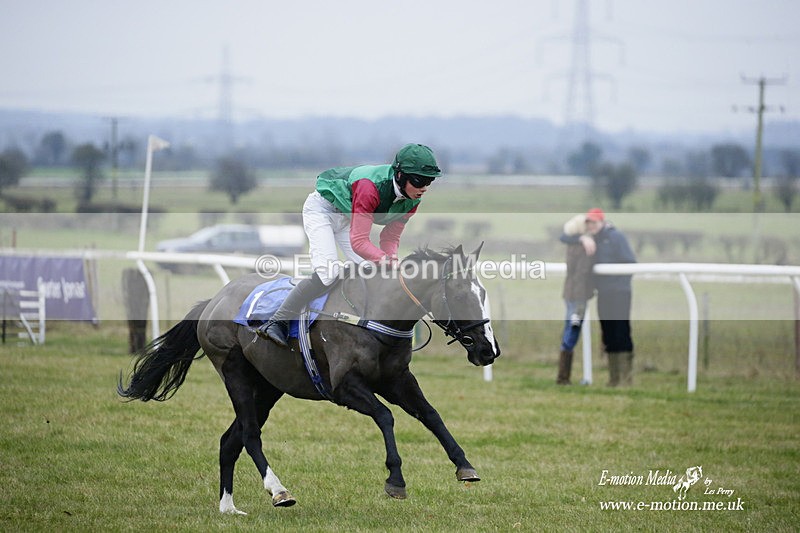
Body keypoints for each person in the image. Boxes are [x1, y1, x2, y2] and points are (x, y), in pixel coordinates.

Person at [257, 143, 442, 347]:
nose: (424, 187)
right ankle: (277, 321)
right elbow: (359, 242)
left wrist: (392, 260)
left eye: (429, 181)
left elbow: (390, 238)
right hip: (322, 210)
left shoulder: (412, 200)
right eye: (419, 180)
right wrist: (384, 259)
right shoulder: (370, 187)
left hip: (346, 217)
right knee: (329, 272)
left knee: (373, 272)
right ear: (399, 175)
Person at [579, 208, 637, 386]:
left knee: (621, 332)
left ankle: (626, 379)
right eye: (589, 223)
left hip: (619, 293)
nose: (591, 226)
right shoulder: (593, 238)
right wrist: (582, 238)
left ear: (602, 222)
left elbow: (630, 262)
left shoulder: (615, 236)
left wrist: (616, 284)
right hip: (604, 293)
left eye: (594, 222)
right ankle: (614, 378)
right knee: (608, 333)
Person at [556, 214, 596, 385]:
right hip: (578, 296)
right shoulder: (584, 247)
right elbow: (582, 274)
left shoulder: (572, 245)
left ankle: (563, 377)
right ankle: (563, 377)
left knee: (569, 332)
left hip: (569, 293)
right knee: (572, 334)